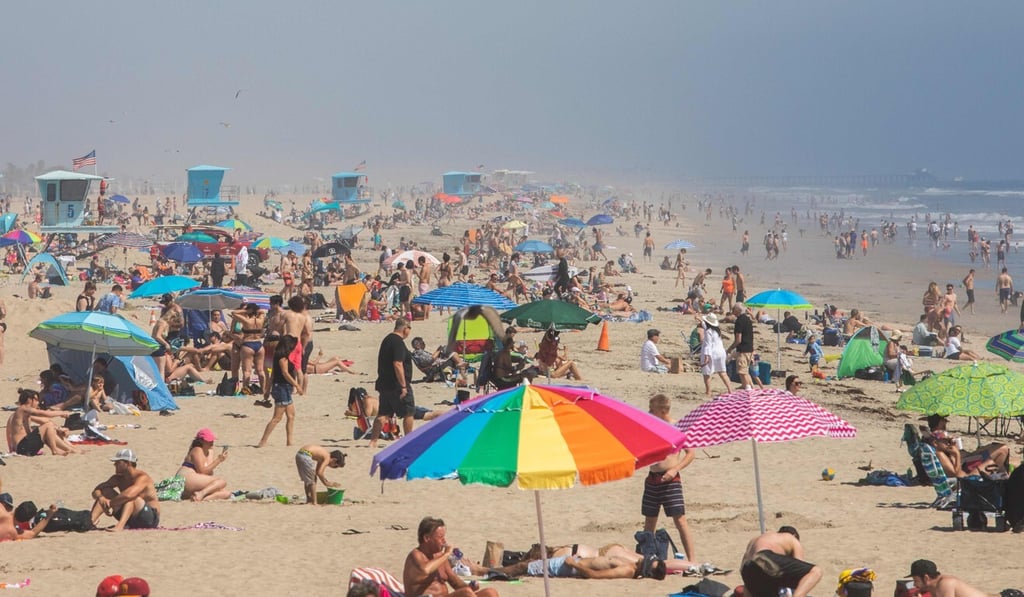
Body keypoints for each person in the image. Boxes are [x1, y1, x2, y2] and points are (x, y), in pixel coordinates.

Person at [643, 394, 697, 561]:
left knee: (680, 520)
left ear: (663, 410)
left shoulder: (677, 428)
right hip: (653, 478)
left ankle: (692, 560)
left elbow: (690, 454)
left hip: (671, 480)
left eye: (652, 410)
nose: (649, 412)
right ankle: (647, 557)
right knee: (650, 520)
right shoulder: (652, 427)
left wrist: (675, 469)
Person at [403, 517, 499, 597]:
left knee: (490, 593)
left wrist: (470, 586)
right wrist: (446, 554)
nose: (444, 541)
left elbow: (455, 583)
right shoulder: (415, 555)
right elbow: (425, 570)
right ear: (427, 538)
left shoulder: (440, 557)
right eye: (440, 538)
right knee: (465, 593)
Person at [90, 448, 161, 531]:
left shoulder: (142, 477)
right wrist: (101, 497)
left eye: (118, 462)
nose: (114, 464)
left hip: (149, 518)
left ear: (128, 463)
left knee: (131, 497)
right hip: (129, 516)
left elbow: (129, 495)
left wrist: (110, 503)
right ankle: (90, 522)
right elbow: (96, 490)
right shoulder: (117, 478)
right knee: (105, 491)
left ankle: (120, 526)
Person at [739, 526, 822, 597]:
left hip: (747, 570)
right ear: (794, 535)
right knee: (815, 571)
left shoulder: (757, 539)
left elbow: (745, 576)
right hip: (765, 558)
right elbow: (798, 569)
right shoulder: (791, 537)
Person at [370, 319, 415, 448]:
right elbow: (398, 364)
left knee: (383, 413)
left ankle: (373, 441)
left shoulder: (387, 340)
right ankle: (408, 441)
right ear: (405, 329)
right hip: (396, 385)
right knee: (408, 412)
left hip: (384, 383)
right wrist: (403, 386)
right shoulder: (398, 343)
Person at [257, 335, 303, 447]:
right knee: (277, 418)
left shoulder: (278, 356)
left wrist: (267, 390)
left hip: (282, 388)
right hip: (282, 388)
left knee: (291, 415)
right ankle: (263, 441)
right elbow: (285, 373)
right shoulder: (282, 358)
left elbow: (272, 375)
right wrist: (297, 385)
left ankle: (289, 442)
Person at [5, 389, 78, 456]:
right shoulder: (24, 409)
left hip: (23, 447)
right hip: (22, 447)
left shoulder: (22, 414)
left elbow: (45, 420)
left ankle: (71, 448)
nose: (38, 402)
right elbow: (45, 414)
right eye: (36, 400)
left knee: (49, 428)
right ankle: (55, 450)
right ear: (30, 400)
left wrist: (58, 429)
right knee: (48, 426)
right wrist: (62, 413)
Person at [909, 559, 1022, 597]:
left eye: (916, 581)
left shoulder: (945, 583)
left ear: (926, 577)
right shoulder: (933, 587)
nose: (914, 585)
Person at [176, 428, 231, 501]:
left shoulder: (210, 451)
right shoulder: (197, 449)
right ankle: (201, 493)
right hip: (185, 479)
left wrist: (216, 459)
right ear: (201, 441)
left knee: (226, 493)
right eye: (208, 440)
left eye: (212, 440)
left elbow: (209, 472)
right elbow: (202, 471)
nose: (211, 442)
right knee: (222, 482)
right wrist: (218, 460)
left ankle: (198, 497)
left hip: (195, 480)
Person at [699, 314, 731, 395]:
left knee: (707, 373)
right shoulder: (717, 330)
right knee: (722, 372)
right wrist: (699, 319)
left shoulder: (708, 331)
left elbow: (708, 344)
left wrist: (706, 357)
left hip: (712, 353)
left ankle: (708, 391)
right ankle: (730, 390)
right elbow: (704, 324)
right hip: (721, 352)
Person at [727, 303, 755, 389]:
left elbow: (738, 339)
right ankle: (750, 386)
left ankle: (747, 388)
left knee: (742, 371)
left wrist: (730, 348)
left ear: (737, 310)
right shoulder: (747, 319)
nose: (732, 311)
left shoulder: (739, 321)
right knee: (745, 370)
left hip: (743, 349)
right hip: (749, 348)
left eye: (733, 309)